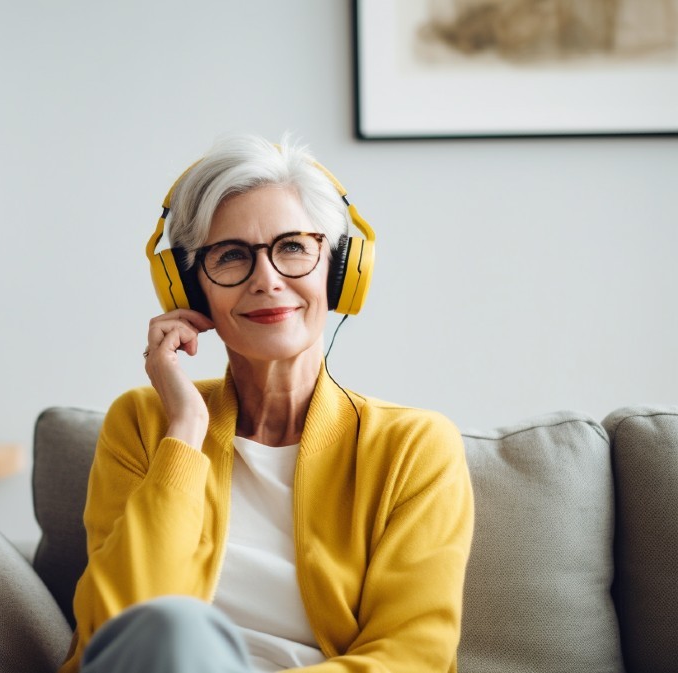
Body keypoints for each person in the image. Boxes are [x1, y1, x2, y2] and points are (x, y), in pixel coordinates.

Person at [59, 134, 474, 673]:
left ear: (341, 269)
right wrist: (184, 430)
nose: (267, 280)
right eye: (230, 256)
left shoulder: (414, 446)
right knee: (172, 627)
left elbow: (412, 656)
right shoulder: (144, 423)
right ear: (189, 288)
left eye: (294, 247)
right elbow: (115, 629)